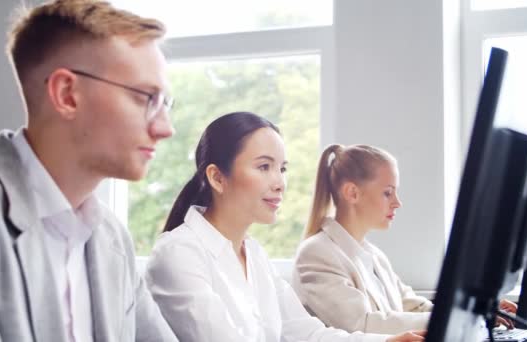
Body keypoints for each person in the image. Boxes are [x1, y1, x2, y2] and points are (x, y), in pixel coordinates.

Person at [0, 1, 178, 341]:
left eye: (164, 103)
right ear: (67, 94)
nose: (165, 128)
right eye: (145, 98)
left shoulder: (112, 239)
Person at [144, 112, 425, 342]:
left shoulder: (254, 256)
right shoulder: (178, 254)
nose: (279, 183)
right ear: (217, 177)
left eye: (282, 169)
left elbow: (307, 332)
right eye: (264, 167)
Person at [292, 144, 517, 335]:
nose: (397, 202)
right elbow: (361, 324)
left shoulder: (374, 255)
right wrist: (462, 319)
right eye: (388, 192)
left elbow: (412, 306)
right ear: (352, 193)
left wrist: (474, 311)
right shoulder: (317, 254)